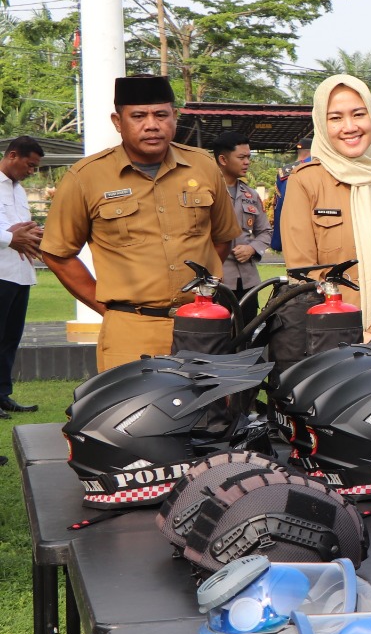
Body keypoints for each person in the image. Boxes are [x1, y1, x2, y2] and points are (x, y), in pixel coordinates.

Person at [41, 75, 238, 370]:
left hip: (201, 325)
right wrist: (106, 307)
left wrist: (200, 286)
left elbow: (222, 237)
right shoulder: (86, 177)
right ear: (118, 122)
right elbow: (57, 252)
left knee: (209, 413)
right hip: (130, 331)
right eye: (138, 116)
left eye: (161, 114)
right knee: (133, 413)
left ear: (175, 117)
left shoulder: (203, 166)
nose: (151, 124)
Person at [279, 75, 371, 341]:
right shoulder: (306, 181)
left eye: (358, 114)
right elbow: (302, 272)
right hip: (327, 337)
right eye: (335, 118)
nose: (349, 127)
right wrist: (344, 330)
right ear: (322, 125)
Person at [0, 135, 45, 414]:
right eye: (29, 165)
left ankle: (3, 394)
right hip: (0, 271)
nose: (31, 172)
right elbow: (11, 232)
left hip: (21, 273)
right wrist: (9, 238)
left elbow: (22, 227)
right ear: (13, 155)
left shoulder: (18, 190)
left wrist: (34, 233)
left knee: (10, 338)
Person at [209, 130, 271, 321]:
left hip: (248, 282)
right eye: (241, 157)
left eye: (248, 157)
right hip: (216, 281)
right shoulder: (205, 192)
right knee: (216, 338)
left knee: (246, 337)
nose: (247, 162)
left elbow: (266, 231)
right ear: (223, 159)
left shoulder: (250, 194)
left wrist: (252, 248)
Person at [270, 133, 314, 251]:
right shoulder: (320, 167)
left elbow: (279, 208)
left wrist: (278, 242)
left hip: (293, 237)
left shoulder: (285, 173)